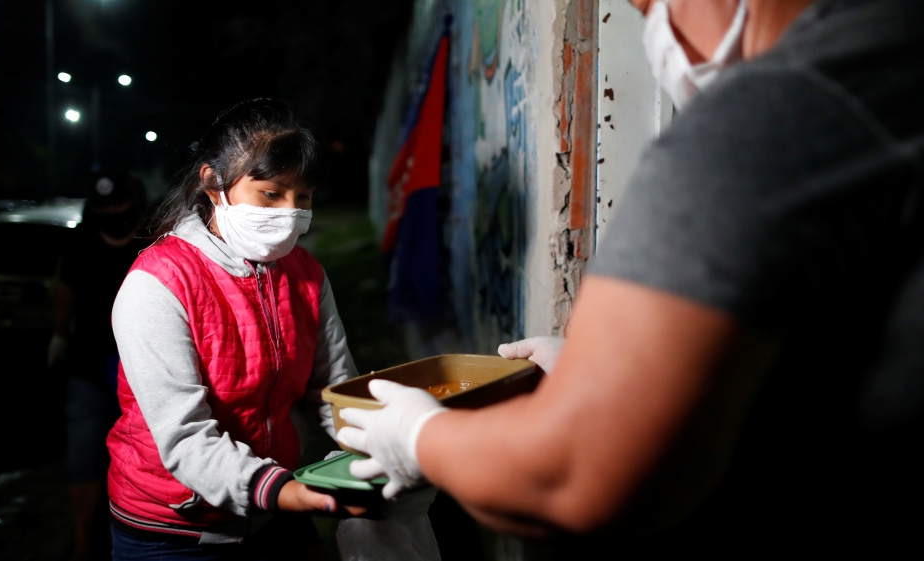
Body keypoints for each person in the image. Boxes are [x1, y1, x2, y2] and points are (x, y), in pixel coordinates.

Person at [338, 0, 924, 553]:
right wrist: (634, 366)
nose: (655, 35)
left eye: (650, 7)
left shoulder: (769, 115)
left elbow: (574, 471)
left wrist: (419, 439)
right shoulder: (889, 50)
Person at [106, 99, 362, 561]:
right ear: (213, 183)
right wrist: (280, 490)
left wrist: (386, 444)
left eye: (302, 197)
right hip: (175, 526)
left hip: (278, 505)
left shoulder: (306, 273)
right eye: (271, 194)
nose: (290, 213)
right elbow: (184, 437)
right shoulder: (156, 284)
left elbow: (334, 388)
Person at [50, 170, 149, 561]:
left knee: (142, 458)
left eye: (118, 204)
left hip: (143, 372)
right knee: (84, 456)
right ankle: (84, 541)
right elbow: (64, 290)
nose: (112, 212)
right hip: (89, 369)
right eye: (104, 206)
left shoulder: (150, 241)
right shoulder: (79, 242)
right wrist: (58, 333)